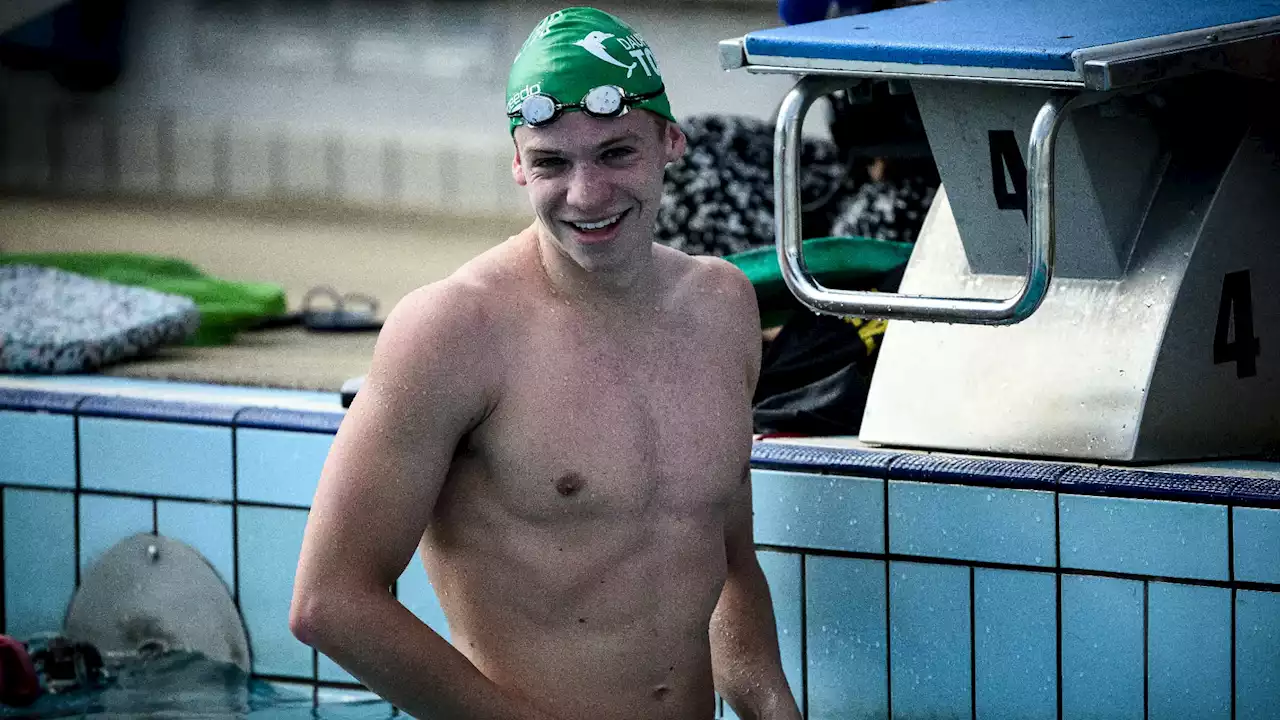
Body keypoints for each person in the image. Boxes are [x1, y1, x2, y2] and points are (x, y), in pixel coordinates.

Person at [290, 7, 802, 720]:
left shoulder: (721, 307)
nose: (586, 195)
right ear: (517, 166)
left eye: (616, 153)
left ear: (671, 141)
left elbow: (729, 560)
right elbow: (330, 602)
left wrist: (775, 712)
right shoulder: (453, 331)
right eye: (552, 163)